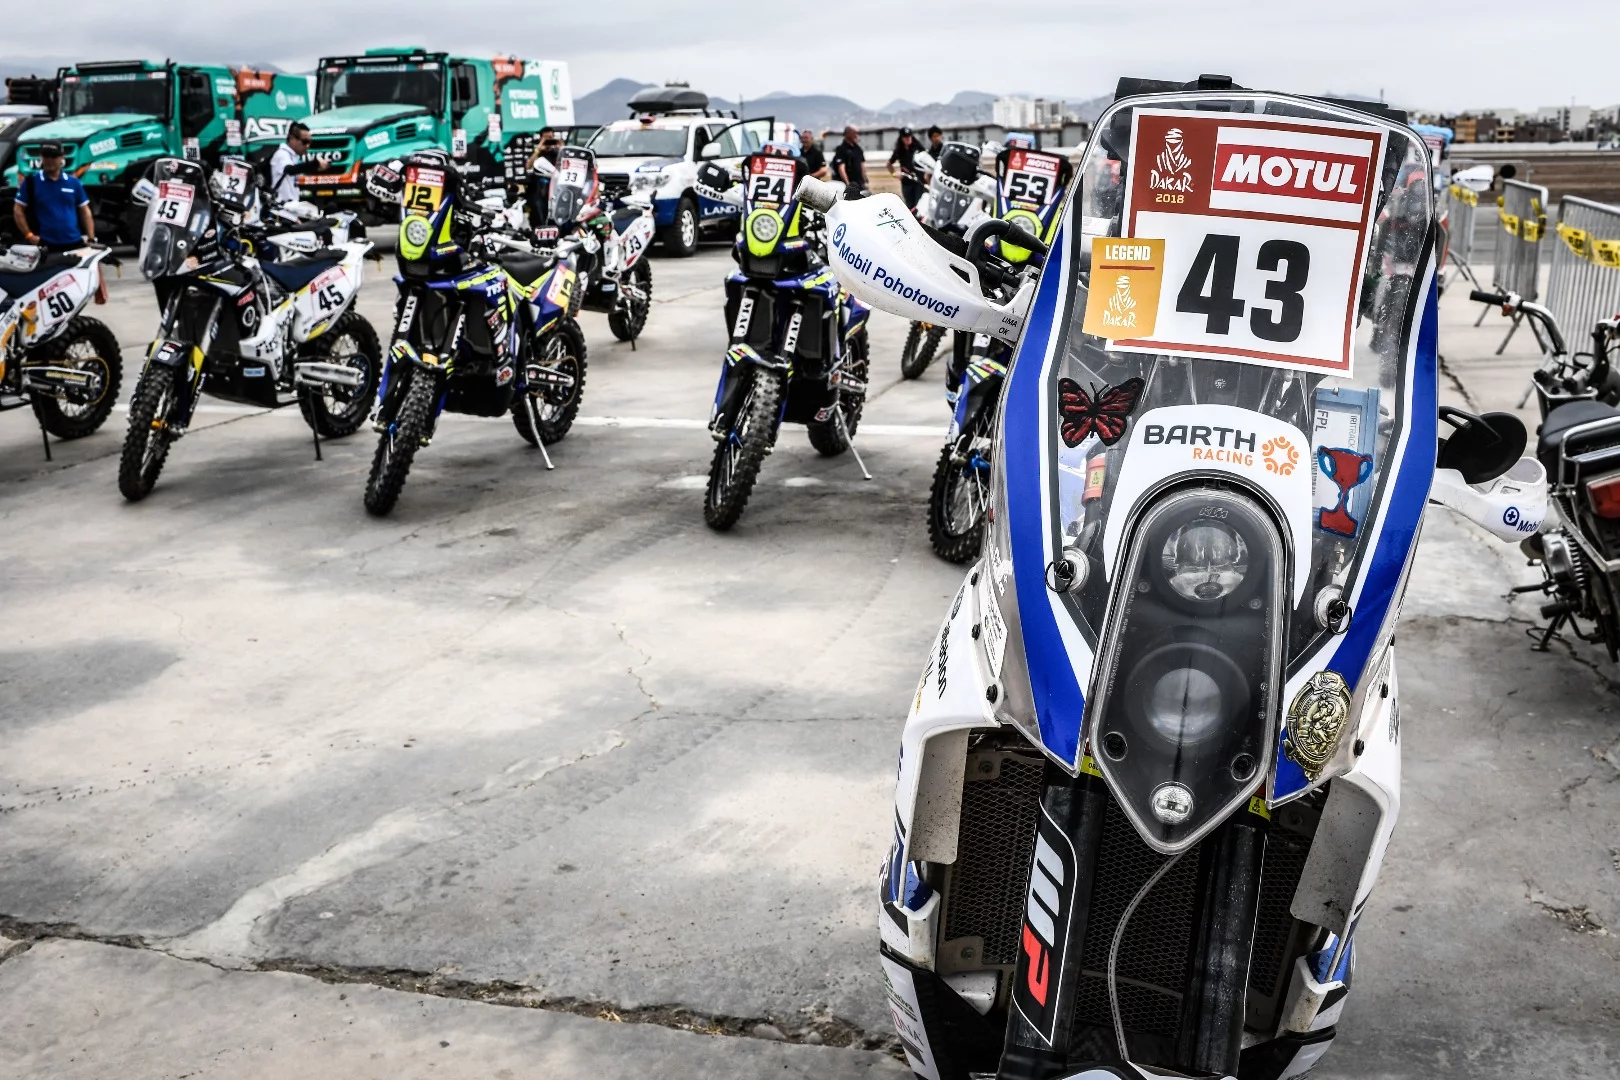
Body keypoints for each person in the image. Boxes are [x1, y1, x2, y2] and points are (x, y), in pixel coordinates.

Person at [12, 143, 95, 251]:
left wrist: (91, 238)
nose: (49, 160)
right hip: (44, 244)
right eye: (46, 156)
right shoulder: (31, 182)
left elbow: (85, 211)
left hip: (74, 242)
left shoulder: (73, 182)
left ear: (62, 158)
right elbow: (18, 209)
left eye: (54, 156)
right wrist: (29, 235)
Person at [268, 122, 315, 204]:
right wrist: (314, 164)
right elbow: (290, 170)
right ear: (292, 138)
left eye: (310, 142)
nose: (307, 146)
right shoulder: (282, 154)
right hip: (280, 207)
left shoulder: (292, 156)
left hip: (290, 206)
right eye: (305, 142)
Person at [887, 127, 925, 209]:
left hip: (918, 181)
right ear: (901, 138)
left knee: (918, 206)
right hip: (906, 182)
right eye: (905, 137)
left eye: (909, 136)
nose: (908, 139)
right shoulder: (899, 150)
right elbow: (889, 164)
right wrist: (894, 174)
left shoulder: (918, 148)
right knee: (909, 206)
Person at [831, 126, 867, 198]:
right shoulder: (841, 149)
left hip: (859, 183)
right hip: (848, 184)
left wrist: (864, 181)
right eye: (854, 133)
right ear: (848, 134)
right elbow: (841, 168)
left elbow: (862, 165)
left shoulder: (858, 148)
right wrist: (847, 183)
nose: (856, 135)